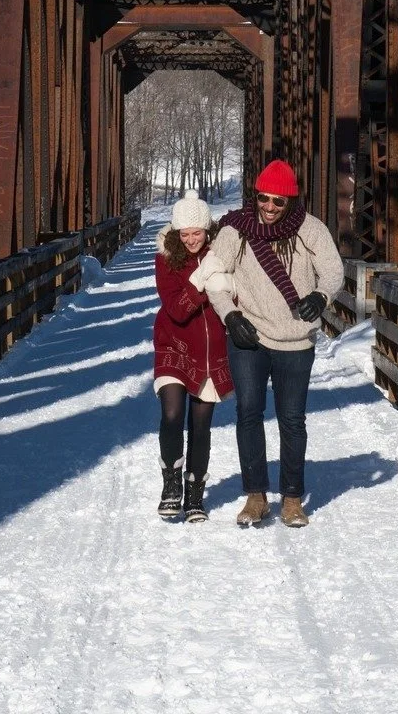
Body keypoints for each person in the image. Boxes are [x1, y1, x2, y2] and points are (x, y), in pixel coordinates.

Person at [195, 160, 343, 528]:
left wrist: (323, 296)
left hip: (295, 342)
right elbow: (213, 275)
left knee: (292, 420)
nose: (270, 208)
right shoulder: (236, 230)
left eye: (278, 201)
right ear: (255, 196)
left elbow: (334, 270)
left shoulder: (312, 230)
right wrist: (229, 314)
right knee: (248, 414)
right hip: (249, 337)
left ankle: (292, 499)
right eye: (264, 199)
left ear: (291, 201)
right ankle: (256, 497)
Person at [152, 189, 231, 523]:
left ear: (207, 230)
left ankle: (195, 494)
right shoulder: (166, 258)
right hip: (172, 344)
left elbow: (233, 295)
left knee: (201, 426)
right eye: (183, 234)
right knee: (172, 414)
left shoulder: (221, 255)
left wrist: (220, 278)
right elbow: (176, 309)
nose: (190, 240)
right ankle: (171, 487)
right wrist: (202, 279)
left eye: (196, 233)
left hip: (211, 352)